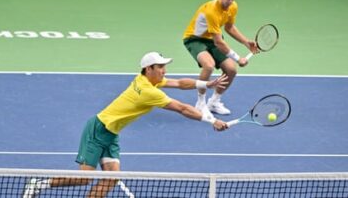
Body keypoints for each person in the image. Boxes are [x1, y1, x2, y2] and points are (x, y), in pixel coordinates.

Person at [23, 51, 229, 198]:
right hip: (98, 129)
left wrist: (206, 84)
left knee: (112, 178)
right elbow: (183, 108)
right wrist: (212, 120)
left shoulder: (143, 79)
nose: (165, 70)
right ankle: (40, 184)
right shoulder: (150, 92)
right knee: (84, 178)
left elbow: (178, 83)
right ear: (149, 69)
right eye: (161, 67)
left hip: (111, 134)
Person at [183, 0, 258, 115]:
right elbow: (219, 43)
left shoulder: (233, 7)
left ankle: (214, 102)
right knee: (209, 65)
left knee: (231, 70)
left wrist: (247, 42)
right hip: (195, 39)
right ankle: (200, 103)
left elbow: (229, 28)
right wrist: (238, 58)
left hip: (212, 39)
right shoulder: (211, 11)